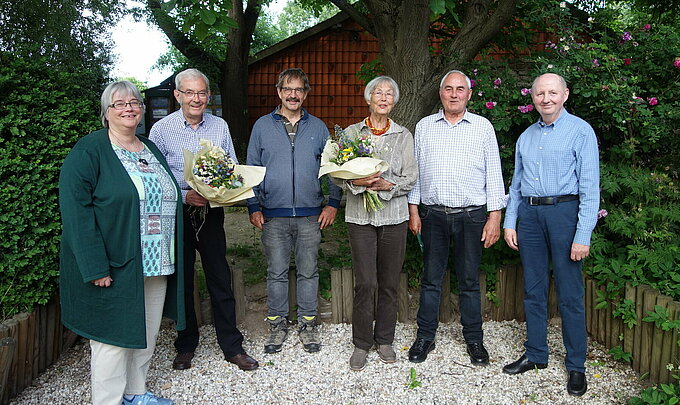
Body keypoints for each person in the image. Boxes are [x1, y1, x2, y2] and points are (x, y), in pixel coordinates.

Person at [59, 80, 184, 405]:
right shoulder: (90, 151)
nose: (129, 108)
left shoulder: (150, 148)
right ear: (107, 113)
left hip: (156, 259)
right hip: (116, 261)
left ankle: (136, 392)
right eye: (119, 104)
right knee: (112, 338)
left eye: (134, 103)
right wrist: (94, 265)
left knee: (147, 330)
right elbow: (76, 211)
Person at [149, 68, 258, 371]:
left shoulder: (219, 126)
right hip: (178, 213)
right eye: (189, 93)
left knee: (219, 277)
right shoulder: (161, 129)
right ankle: (185, 344)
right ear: (177, 95)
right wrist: (185, 195)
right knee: (182, 279)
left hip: (211, 212)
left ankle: (232, 346)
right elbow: (156, 175)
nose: (196, 99)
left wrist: (219, 190)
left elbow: (232, 167)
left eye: (201, 93)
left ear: (209, 96)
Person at [502, 73, 599, 397]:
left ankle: (576, 365)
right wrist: (510, 222)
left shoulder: (580, 132)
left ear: (565, 95)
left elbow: (589, 188)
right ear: (533, 98)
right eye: (540, 93)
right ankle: (536, 354)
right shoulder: (526, 137)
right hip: (529, 217)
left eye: (552, 92)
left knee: (570, 294)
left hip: (564, 215)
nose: (546, 98)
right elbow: (516, 185)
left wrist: (582, 235)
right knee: (533, 289)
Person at [407, 70, 506, 366]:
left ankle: (474, 340)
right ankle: (425, 336)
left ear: (468, 94)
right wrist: (413, 210)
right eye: (448, 89)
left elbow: (494, 174)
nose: (453, 94)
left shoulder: (482, 127)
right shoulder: (424, 126)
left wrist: (495, 216)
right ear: (441, 94)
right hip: (433, 215)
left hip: (472, 216)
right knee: (431, 280)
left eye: (459, 89)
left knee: (469, 281)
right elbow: (415, 174)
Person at [246, 68, 342, 354]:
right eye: (288, 89)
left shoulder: (318, 127)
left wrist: (333, 202)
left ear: (306, 93)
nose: (293, 95)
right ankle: (276, 326)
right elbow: (250, 168)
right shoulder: (262, 126)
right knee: (275, 272)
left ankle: (308, 324)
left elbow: (333, 168)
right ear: (279, 92)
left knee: (309, 272)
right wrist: (253, 205)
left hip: (310, 214)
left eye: (299, 90)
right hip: (272, 214)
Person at [332, 76, 418, 370]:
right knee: (366, 282)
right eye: (378, 93)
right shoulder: (351, 135)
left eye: (389, 94)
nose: (383, 98)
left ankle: (385, 339)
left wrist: (386, 185)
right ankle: (361, 343)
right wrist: (359, 183)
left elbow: (411, 176)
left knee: (389, 283)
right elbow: (336, 175)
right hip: (360, 218)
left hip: (394, 218)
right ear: (368, 99)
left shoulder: (403, 135)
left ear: (394, 101)